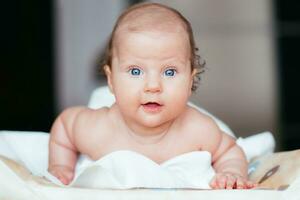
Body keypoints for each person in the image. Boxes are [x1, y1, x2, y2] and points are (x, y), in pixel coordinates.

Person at [48, 2, 255, 189]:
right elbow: (65, 128)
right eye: (136, 71)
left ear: (190, 81)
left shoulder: (197, 130)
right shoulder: (98, 129)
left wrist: (231, 172)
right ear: (111, 80)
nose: (153, 86)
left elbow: (229, 151)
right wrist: (61, 165)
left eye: (169, 72)